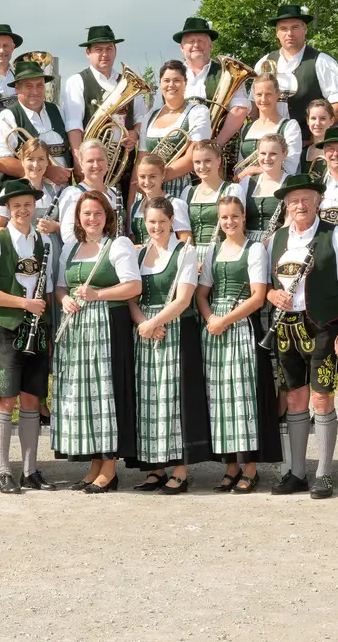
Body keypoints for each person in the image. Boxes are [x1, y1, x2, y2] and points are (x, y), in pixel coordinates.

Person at [263, 174, 338, 499]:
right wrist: (273, 295)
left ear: (318, 201)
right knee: (294, 398)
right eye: (294, 200)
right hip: (286, 328)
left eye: (306, 198)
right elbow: (266, 287)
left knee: (322, 397)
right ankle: (297, 472)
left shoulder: (335, 235)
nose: (300, 205)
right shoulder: (277, 238)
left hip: (322, 326)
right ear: (286, 205)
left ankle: (324, 473)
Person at [0, 179, 60, 493]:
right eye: (17, 205)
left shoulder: (44, 242)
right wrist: (24, 304)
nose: (23, 210)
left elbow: (48, 290)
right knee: (6, 399)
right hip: (9, 328)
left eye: (28, 204)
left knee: (33, 398)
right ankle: (2, 471)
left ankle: (30, 470)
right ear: (8, 208)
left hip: (38, 328)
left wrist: (43, 318)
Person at [52, 192, 143, 492]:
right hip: (78, 329)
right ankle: (94, 463)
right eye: (86, 214)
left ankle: (109, 468)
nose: (92, 219)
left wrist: (98, 294)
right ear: (78, 219)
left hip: (108, 326)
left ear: (107, 216)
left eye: (97, 213)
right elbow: (61, 287)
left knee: (107, 393)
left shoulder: (118, 244)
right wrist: (64, 300)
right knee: (86, 396)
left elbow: (133, 286)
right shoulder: (70, 248)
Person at [128, 196, 213, 493]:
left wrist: (153, 323)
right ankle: (156, 468)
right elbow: (132, 298)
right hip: (147, 332)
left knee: (175, 399)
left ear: (172, 221)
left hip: (176, 330)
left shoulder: (186, 251)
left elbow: (184, 299)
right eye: (151, 222)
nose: (156, 227)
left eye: (162, 222)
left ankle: (180, 469)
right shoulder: (140, 254)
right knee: (150, 398)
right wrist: (144, 324)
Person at [196, 197, 278, 492]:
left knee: (243, 396)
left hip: (241, 325)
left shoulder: (254, 249)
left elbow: (258, 297)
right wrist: (210, 319)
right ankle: (230, 464)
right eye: (224, 217)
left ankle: (250, 466)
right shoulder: (213, 250)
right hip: (215, 326)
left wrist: (225, 320)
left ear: (244, 217)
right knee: (220, 397)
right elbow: (202, 294)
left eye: (234, 216)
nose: (229, 222)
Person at [251, 3, 338, 146]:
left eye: (295, 27)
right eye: (283, 29)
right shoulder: (264, 63)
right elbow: (253, 104)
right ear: (277, 33)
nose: (289, 33)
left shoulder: (322, 61)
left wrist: (318, 136)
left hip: (308, 144)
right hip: (268, 147)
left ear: (304, 29)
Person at [61, 25, 144, 184]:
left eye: (109, 49)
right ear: (88, 52)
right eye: (98, 49)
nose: (105, 54)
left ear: (115, 51)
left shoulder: (129, 83)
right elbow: (74, 126)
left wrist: (135, 134)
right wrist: (79, 163)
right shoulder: (77, 82)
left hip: (123, 165)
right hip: (92, 165)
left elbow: (140, 118)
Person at [0, 58, 74, 182]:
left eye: (39, 85)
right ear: (17, 88)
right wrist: (45, 172)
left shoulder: (58, 110)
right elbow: (0, 161)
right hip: (27, 191)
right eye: (28, 86)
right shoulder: (6, 118)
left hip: (65, 189)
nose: (35, 91)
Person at [176, 16, 251, 154]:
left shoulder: (228, 73)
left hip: (215, 153)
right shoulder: (172, 75)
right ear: (182, 47)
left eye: (201, 41)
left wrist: (216, 144)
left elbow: (239, 109)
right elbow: (158, 111)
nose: (196, 45)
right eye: (191, 41)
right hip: (177, 150)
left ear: (211, 45)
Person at [140, 60, 211, 198]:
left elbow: (193, 157)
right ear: (160, 84)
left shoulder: (198, 112)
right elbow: (141, 159)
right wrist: (132, 202)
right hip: (148, 188)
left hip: (181, 187)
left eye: (177, 80)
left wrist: (155, 178)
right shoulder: (149, 116)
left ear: (185, 83)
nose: (171, 85)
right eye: (166, 80)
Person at [0, 138, 63, 237]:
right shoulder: (10, 190)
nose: (35, 164)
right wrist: (24, 232)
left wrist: (56, 226)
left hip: (53, 246)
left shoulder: (56, 190)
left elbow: (70, 228)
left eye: (41, 159)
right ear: (22, 161)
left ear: (47, 162)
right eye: (30, 159)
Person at [184, 141, 245, 264]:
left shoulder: (231, 190)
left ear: (218, 161)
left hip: (221, 252)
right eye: (197, 162)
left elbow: (238, 227)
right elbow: (184, 231)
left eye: (207, 161)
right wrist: (192, 260)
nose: (202, 166)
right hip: (192, 256)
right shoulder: (188, 192)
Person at [234, 73, 302, 179]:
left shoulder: (290, 126)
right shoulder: (247, 128)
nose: (263, 99)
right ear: (253, 96)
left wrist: (254, 170)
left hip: (278, 184)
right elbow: (240, 167)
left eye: (268, 94)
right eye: (259, 94)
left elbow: (290, 167)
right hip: (247, 185)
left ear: (278, 94)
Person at [57, 141, 125, 245]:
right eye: (90, 161)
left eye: (100, 160)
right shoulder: (73, 194)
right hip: (90, 252)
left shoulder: (115, 192)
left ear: (107, 162)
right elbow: (68, 236)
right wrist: (104, 247)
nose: (96, 165)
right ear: (81, 164)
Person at [127, 153, 191, 244]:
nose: (147, 182)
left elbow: (186, 241)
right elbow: (133, 240)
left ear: (163, 175)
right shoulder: (135, 206)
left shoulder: (175, 204)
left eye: (152, 176)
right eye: (142, 177)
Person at [242, 134, 290, 244]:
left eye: (273, 154)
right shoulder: (247, 182)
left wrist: (270, 243)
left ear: (284, 154)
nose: (267, 158)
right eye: (263, 153)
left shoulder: (291, 183)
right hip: (248, 243)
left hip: (278, 242)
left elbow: (289, 222)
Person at [301, 100, 338, 176]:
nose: (317, 123)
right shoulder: (303, 153)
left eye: (322, 118)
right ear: (307, 121)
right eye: (313, 118)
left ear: (331, 121)